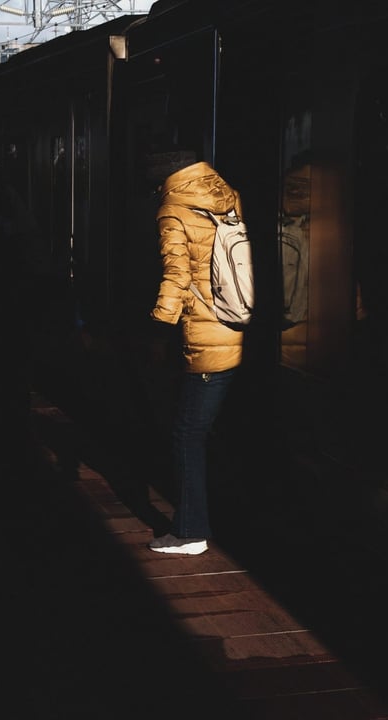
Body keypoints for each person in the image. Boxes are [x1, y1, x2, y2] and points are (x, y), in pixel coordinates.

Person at [146, 156, 246, 555]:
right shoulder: (229, 196)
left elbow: (177, 275)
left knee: (187, 434)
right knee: (207, 430)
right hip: (237, 320)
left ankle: (190, 531)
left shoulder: (172, 210)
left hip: (206, 333)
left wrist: (158, 326)